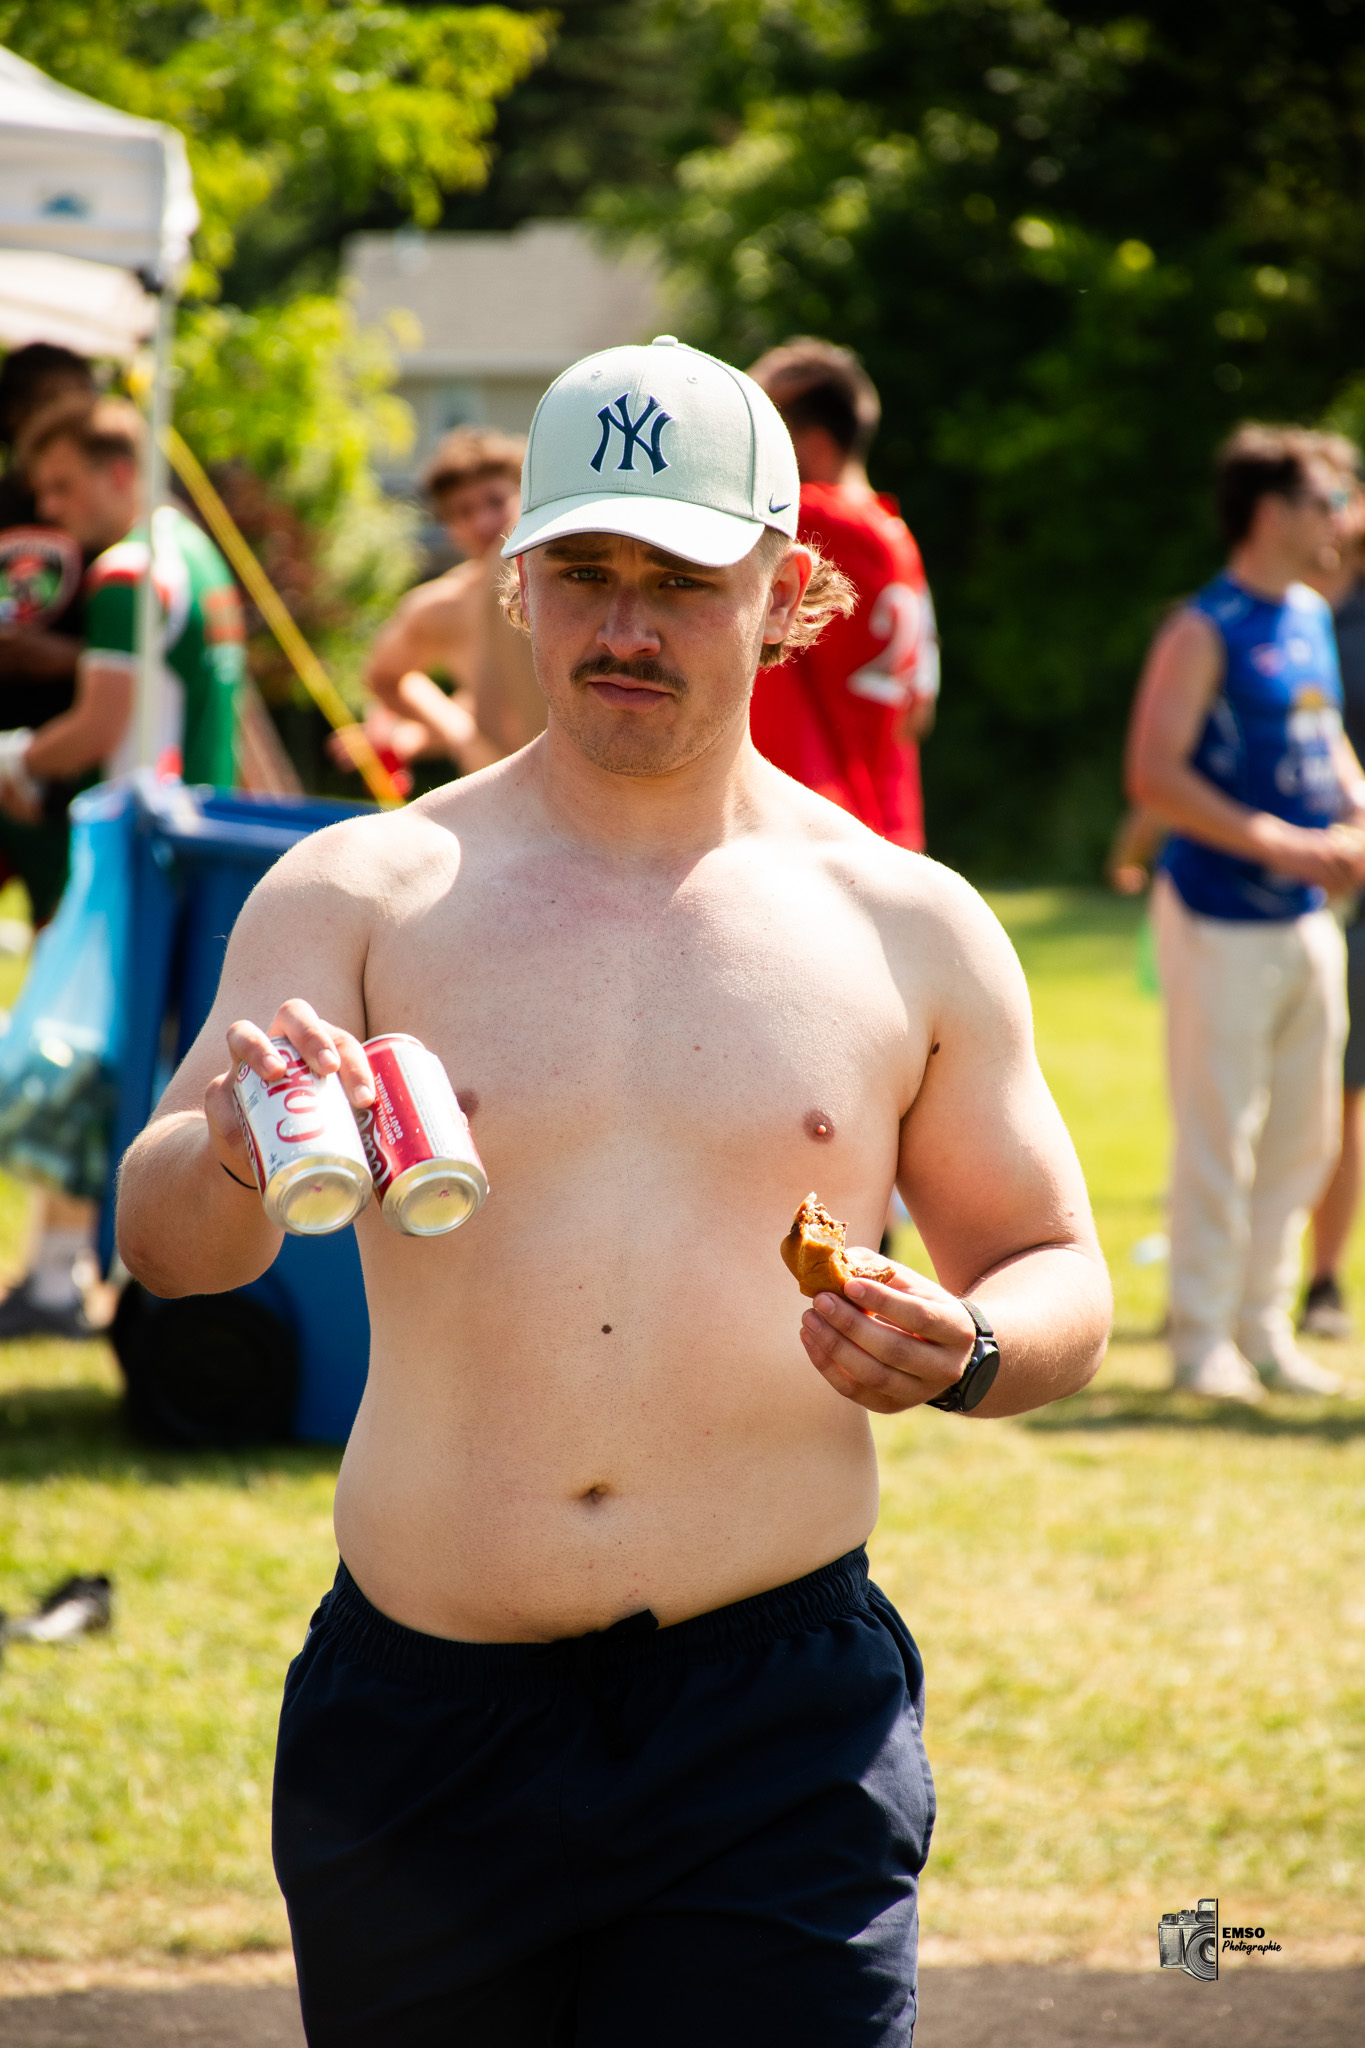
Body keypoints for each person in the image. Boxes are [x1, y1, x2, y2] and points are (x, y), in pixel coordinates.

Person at [116, 335, 1111, 2048]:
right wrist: (227, 1145)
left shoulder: (905, 921)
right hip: (422, 1714)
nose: (626, 624)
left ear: (790, 593)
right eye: (586, 570)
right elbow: (166, 1246)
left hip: (774, 1725)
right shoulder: (366, 886)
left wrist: (968, 1345)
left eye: (682, 578)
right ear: (518, 583)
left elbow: (1051, 1263)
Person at [1126, 423, 1365, 1399]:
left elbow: (1325, 737)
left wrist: (1354, 807)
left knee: (1305, 1133)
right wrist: (1284, 843)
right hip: (1219, 913)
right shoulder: (1204, 626)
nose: (1343, 520)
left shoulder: (1311, 612)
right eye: (1326, 501)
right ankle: (1201, 1340)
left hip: (1309, 920)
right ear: (1271, 512)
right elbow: (1154, 773)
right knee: (1221, 1132)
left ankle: (1264, 1327)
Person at [0, 395, 245, 1339]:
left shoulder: (127, 568)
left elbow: (103, 726)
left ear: (116, 471)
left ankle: (62, 1279)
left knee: (91, 1057)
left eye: (63, 485)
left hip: (142, 843)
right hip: (197, 834)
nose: (52, 511)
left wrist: (18, 757)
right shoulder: (197, 552)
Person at [746, 338, 938, 850]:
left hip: (824, 829)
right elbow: (920, 710)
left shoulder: (816, 519)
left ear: (812, 449)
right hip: (889, 824)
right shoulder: (896, 533)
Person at [346, 425, 546, 789]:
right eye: (462, 512)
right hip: (499, 793)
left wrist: (417, 735)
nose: (483, 521)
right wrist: (456, 731)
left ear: (525, 495)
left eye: (495, 501)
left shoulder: (563, 585)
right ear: (448, 526)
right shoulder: (441, 605)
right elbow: (383, 676)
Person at [1300, 436, 1365, 1335]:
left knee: (1346, 1087)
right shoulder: (1275, 611)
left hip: (1353, 880)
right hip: (1263, 886)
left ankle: (1321, 1280)